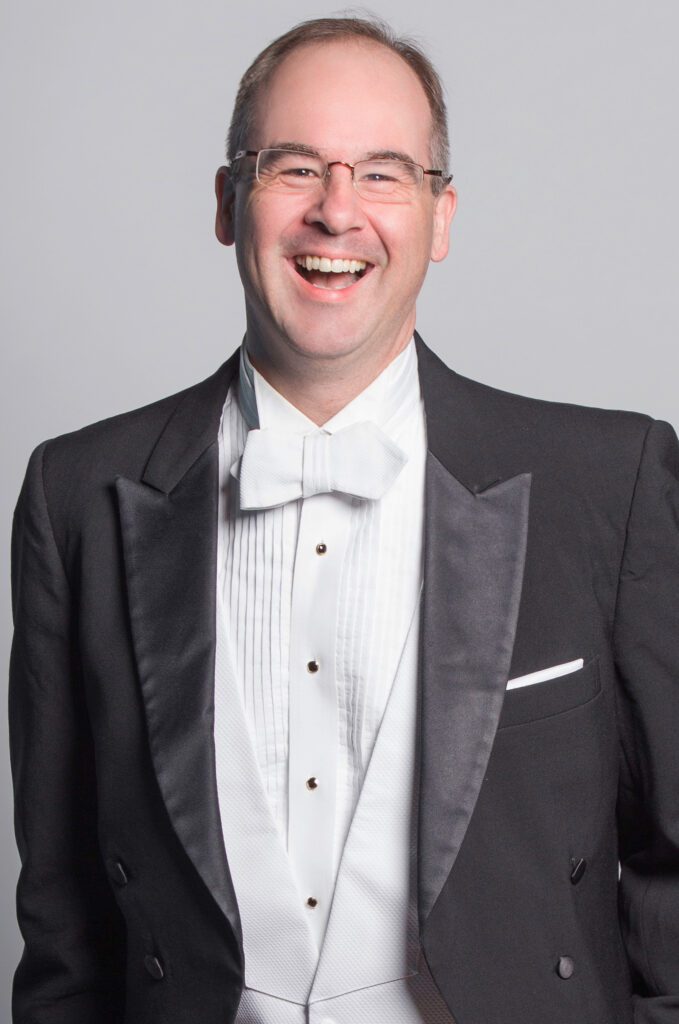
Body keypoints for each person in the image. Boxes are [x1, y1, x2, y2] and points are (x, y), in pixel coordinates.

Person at [8, 13, 679, 1024]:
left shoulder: (608, 482)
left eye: (381, 173)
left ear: (440, 218)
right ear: (228, 203)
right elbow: (62, 922)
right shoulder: (76, 496)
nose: (335, 211)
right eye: (293, 169)